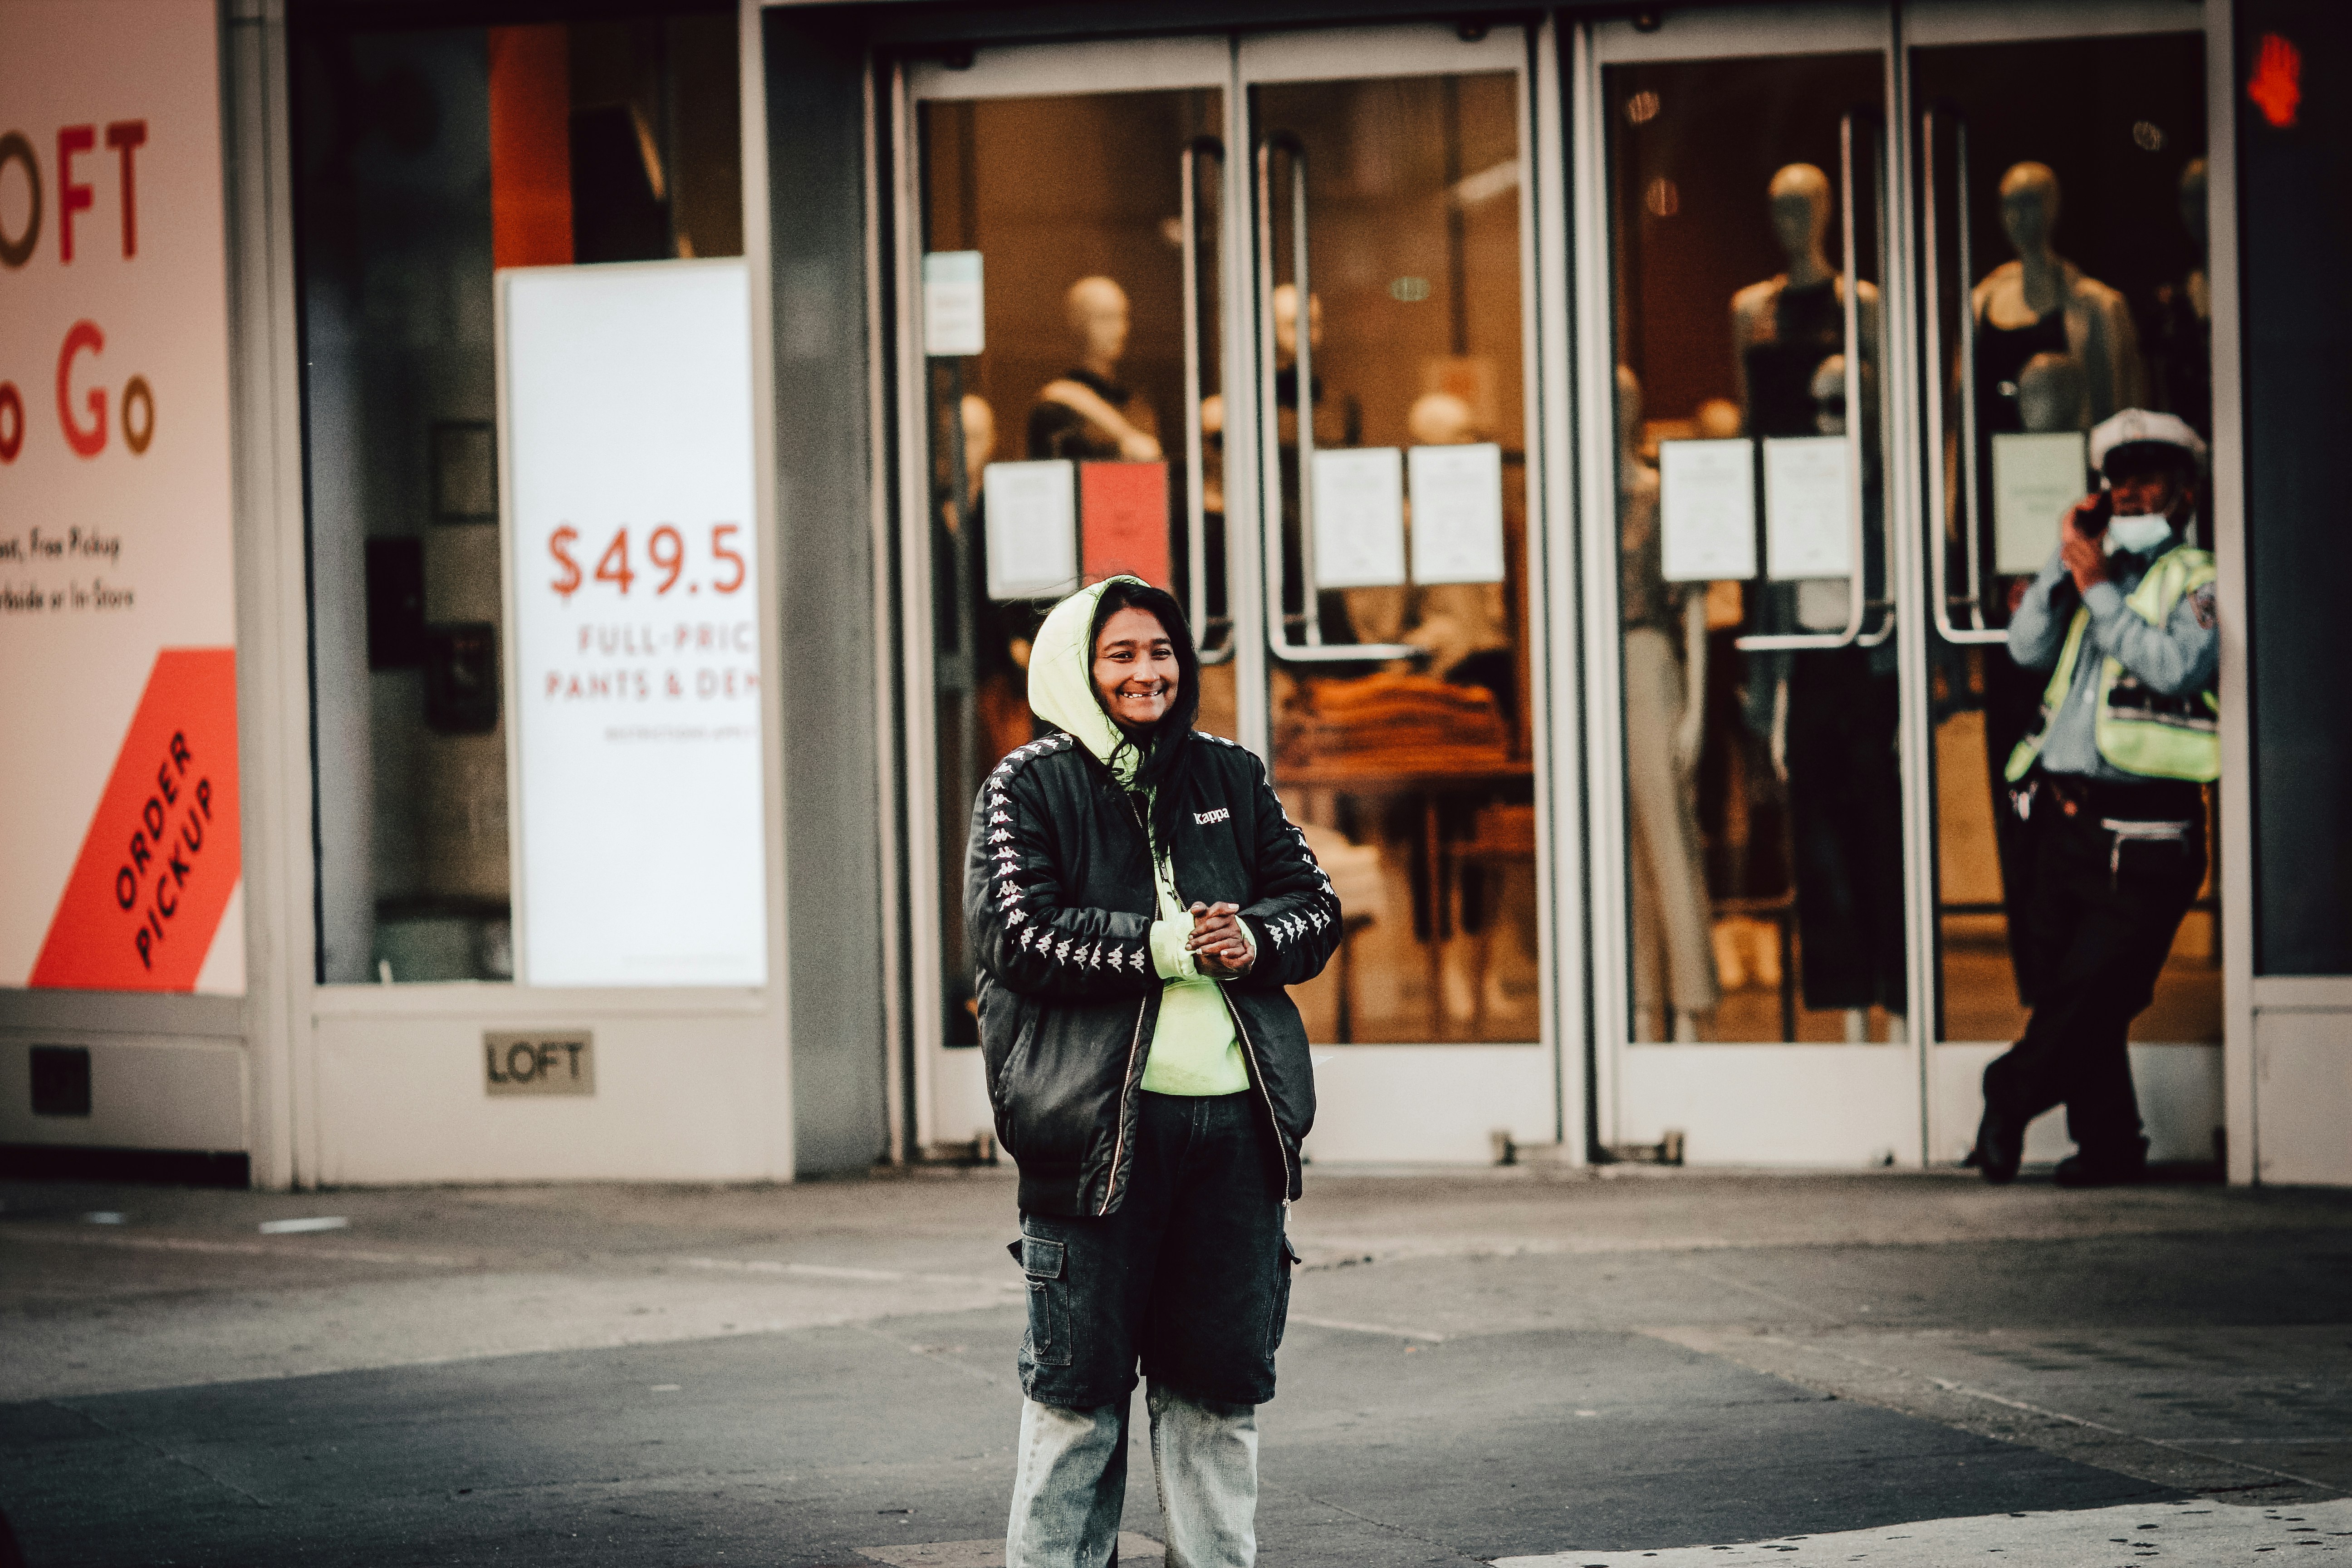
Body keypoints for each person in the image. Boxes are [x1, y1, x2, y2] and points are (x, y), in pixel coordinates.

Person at [967, 575, 1342, 1566]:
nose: (1149, 672)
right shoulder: (1027, 786)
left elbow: (1316, 908)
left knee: (1218, 1393)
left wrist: (1250, 939)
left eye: (1162, 651)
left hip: (1236, 1134)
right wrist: (1167, 946)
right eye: (1121, 654)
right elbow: (1018, 935)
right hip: (1094, 1137)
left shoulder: (1231, 774)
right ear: (1077, 668)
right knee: (1077, 1397)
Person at [1970, 409, 2216, 1188]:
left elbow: (2177, 667)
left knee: (2100, 986)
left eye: (2150, 480)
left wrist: (2101, 590)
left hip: (2146, 829)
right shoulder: (2090, 569)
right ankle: (2109, 1144)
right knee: (2075, 992)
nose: (2134, 495)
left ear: (2183, 493)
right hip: (2063, 815)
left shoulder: (2202, 577)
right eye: (2120, 481)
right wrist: (2065, 560)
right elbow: (2024, 646)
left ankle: (2008, 1091)